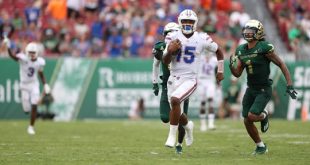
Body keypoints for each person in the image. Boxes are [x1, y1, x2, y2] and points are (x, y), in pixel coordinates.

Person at [229, 19, 297, 155]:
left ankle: (264, 115)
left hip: (263, 88)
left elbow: (282, 64)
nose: (247, 34)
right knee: (247, 120)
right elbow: (237, 74)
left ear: (258, 33)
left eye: (251, 31)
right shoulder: (241, 50)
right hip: (250, 88)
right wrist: (231, 65)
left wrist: (289, 85)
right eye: (246, 31)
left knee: (252, 116)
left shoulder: (264, 47)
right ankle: (260, 146)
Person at [162, 9, 225, 148]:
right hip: (173, 77)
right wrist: (170, 51)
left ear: (195, 23)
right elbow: (165, 61)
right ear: (179, 22)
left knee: (175, 100)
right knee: (177, 110)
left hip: (190, 79)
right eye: (184, 21)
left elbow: (219, 51)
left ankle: (171, 136)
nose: (187, 24)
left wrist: (220, 70)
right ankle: (188, 126)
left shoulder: (202, 38)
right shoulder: (172, 36)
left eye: (190, 21)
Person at [152, 22, 190, 154]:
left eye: (174, 33)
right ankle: (187, 126)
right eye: (168, 34)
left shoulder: (186, 47)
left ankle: (179, 144)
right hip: (167, 85)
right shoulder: (161, 47)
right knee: (165, 117)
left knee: (180, 118)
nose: (171, 37)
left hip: (182, 84)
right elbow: (156, 64)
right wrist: (154, 82)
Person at [3, 37, 51, 135]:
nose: (31, 54)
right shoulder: (23, 58)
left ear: (37, 52)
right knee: (26, 109)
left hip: (34, 84)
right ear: (26, 52)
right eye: (30, 52)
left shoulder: (40, 62)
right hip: (24, 85)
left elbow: (40, 73)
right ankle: (28, 113)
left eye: (33, 52)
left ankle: (31, 127)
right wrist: (8, 47)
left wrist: (45, 84)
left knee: (34, 104)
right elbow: (13, 56)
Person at [197, 54, 219, 131]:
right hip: (201, 81)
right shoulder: (200, 57)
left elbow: (219, 66)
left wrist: (218, 81)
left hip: (210, 81)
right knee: (202, 103)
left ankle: (211, 123)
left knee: (210, 101)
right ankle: (203, 124)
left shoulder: (214, 59)